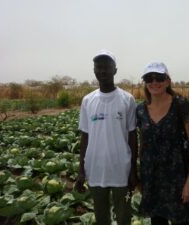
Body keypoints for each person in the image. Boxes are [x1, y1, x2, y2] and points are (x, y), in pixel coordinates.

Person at [75, 50, 138, 225]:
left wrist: (133, 169)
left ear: (115, 70)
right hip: (95, 169)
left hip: (121, 170)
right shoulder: (88, 101)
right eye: (98, 67)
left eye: (106, 67)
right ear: (94, 70)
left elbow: (133, 137)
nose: (102, 71)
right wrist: (81, 170)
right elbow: (85, 137)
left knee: (124, 216)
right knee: (101, 217)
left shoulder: (128, 99)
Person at [136, 62, 189, 225]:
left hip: (177, 179)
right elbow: (142, 144)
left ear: (167, 81)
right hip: (152, 180)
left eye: (159, 77)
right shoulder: (140, 110)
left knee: (181, 221)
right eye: (149, 78)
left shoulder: (180, 104)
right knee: (157, 221)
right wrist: (140, 179)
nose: (154, 82)